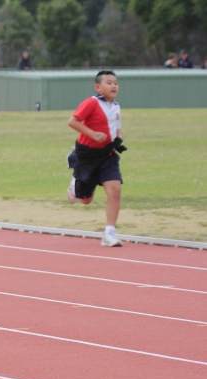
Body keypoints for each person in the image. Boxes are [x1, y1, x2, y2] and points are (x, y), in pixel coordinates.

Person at [66, 71, 126, 247]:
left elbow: (118, 127)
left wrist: (119, 139)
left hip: (107, 156)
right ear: (98, 87)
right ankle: (75, 184)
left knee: (115, 190)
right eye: (109, 83)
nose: (114, 86)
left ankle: (109, 233)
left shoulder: (116, 106)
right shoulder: (91, 102)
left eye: (116, 83)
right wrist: (92, 134)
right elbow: (73, 121)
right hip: (87, 156)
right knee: (85, 199)